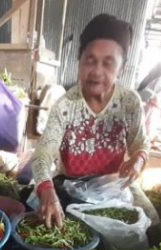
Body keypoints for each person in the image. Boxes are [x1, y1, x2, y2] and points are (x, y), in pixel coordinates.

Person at [31, 14, 151, 228]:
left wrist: (139, 159)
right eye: (90, 60)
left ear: (121, 67)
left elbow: (141, 143)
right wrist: (46, 190)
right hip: (71, 187)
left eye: (108, 63)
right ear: (79, 60)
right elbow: (43, 154)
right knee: (46, 222)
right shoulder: (65, 106)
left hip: (112, 187)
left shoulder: (129, 103)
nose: (96, 71)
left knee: (151, 222)